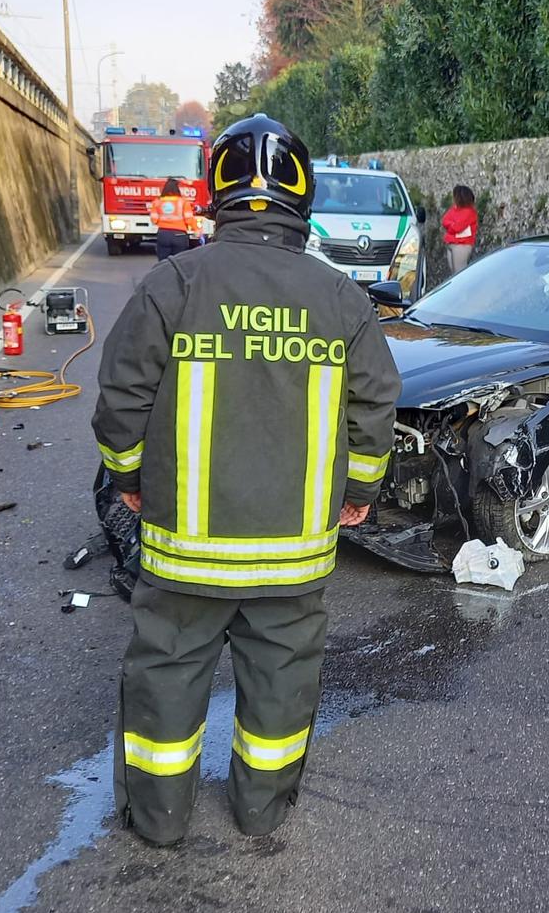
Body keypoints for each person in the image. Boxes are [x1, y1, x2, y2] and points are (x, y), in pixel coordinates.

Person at [93, 113, 401, 847]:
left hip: (182, 554)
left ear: (214, 191)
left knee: (165, 677)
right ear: (306, 198)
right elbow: (374, 409)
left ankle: (158, 823)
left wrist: (128, 480)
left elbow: (121, 402)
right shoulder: (341, 301)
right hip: (292, 558)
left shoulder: (172, 284)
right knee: (282, 686)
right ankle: (261, 812)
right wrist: (358, 496)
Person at [441, 184, 478, 276]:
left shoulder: (470, 212)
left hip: (462, 245)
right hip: (451, 243)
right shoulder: (454, 209)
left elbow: (457, 227)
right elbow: (445, 221)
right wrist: (452, 225)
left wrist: (451, 226)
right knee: (454, 274)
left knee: (460, 274)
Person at [152, 179, 192, 261]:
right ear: (177, 189)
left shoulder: (158, 202)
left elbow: (154, 220)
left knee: (163, 262)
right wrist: (198, 230)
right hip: (179, 235)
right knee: (179, 262)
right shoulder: (183, 202)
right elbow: (189, 219)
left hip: (163, 234)